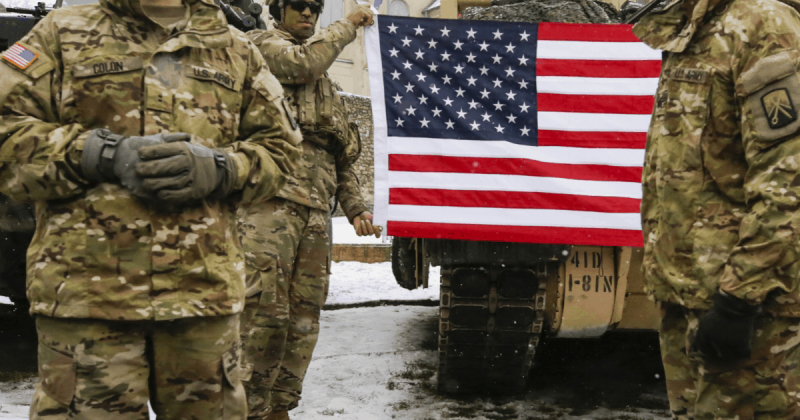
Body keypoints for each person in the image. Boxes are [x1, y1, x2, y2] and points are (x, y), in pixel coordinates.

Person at [0, 0, 302, 416]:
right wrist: (101, 155)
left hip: (202, 299)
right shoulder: (62, 33)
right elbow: (6, 131)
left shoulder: (234, 48)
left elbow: (283, 151)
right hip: (88, 301)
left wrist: (222, 168)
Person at [635, 0, 800, 418]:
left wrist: (739, 300)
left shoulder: (762, 26)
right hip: (689, 293)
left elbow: (788, 182)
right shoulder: (693, 25)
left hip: (752, 306)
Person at [237, 1, 377, 418]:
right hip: (268, 204)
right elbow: (302, 64)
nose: (308, 14)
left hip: (316, 213)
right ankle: (247, 406)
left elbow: (341, 154)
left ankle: (279, 405)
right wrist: (348, 25)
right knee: (263, 312)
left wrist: (356, 208)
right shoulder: (261, 45)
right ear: (277, 9)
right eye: (298, 5)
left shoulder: (326, 85)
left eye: (315, 8)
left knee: (304, 316)